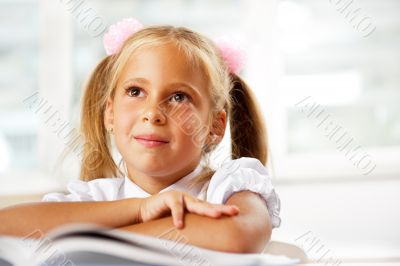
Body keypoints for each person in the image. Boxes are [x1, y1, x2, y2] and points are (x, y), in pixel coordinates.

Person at [0, 18, 280, 253]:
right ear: (110, 113)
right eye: (135, 92)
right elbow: (5, 227)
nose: (152, 113)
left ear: (215, 126)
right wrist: (140, 209)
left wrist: (88, 240)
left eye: (179, 97)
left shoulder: (229, 186)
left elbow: (237, 236)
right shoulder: (98, 199)